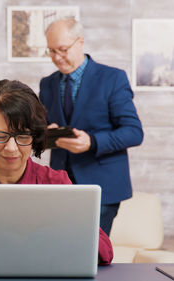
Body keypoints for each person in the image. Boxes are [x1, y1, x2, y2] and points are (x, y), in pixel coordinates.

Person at [0, 79, 113, 266]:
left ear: (34, 137)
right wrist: (29, 249)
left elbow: (101, 248)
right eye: (0, 136)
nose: (11, 148)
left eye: (22, 136)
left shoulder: (56, 183)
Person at [39, 19, 144, 236]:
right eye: (51, 51)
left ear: (80, 42)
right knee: (58, 250)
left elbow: (134, 132)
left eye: (63, 49)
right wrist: (46, 131)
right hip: (59, 186)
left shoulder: (112, 78)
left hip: (102, 186)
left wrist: (92, 142)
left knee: (91, 255)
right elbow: (40, 131)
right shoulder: (47, 84)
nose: (57, 58)